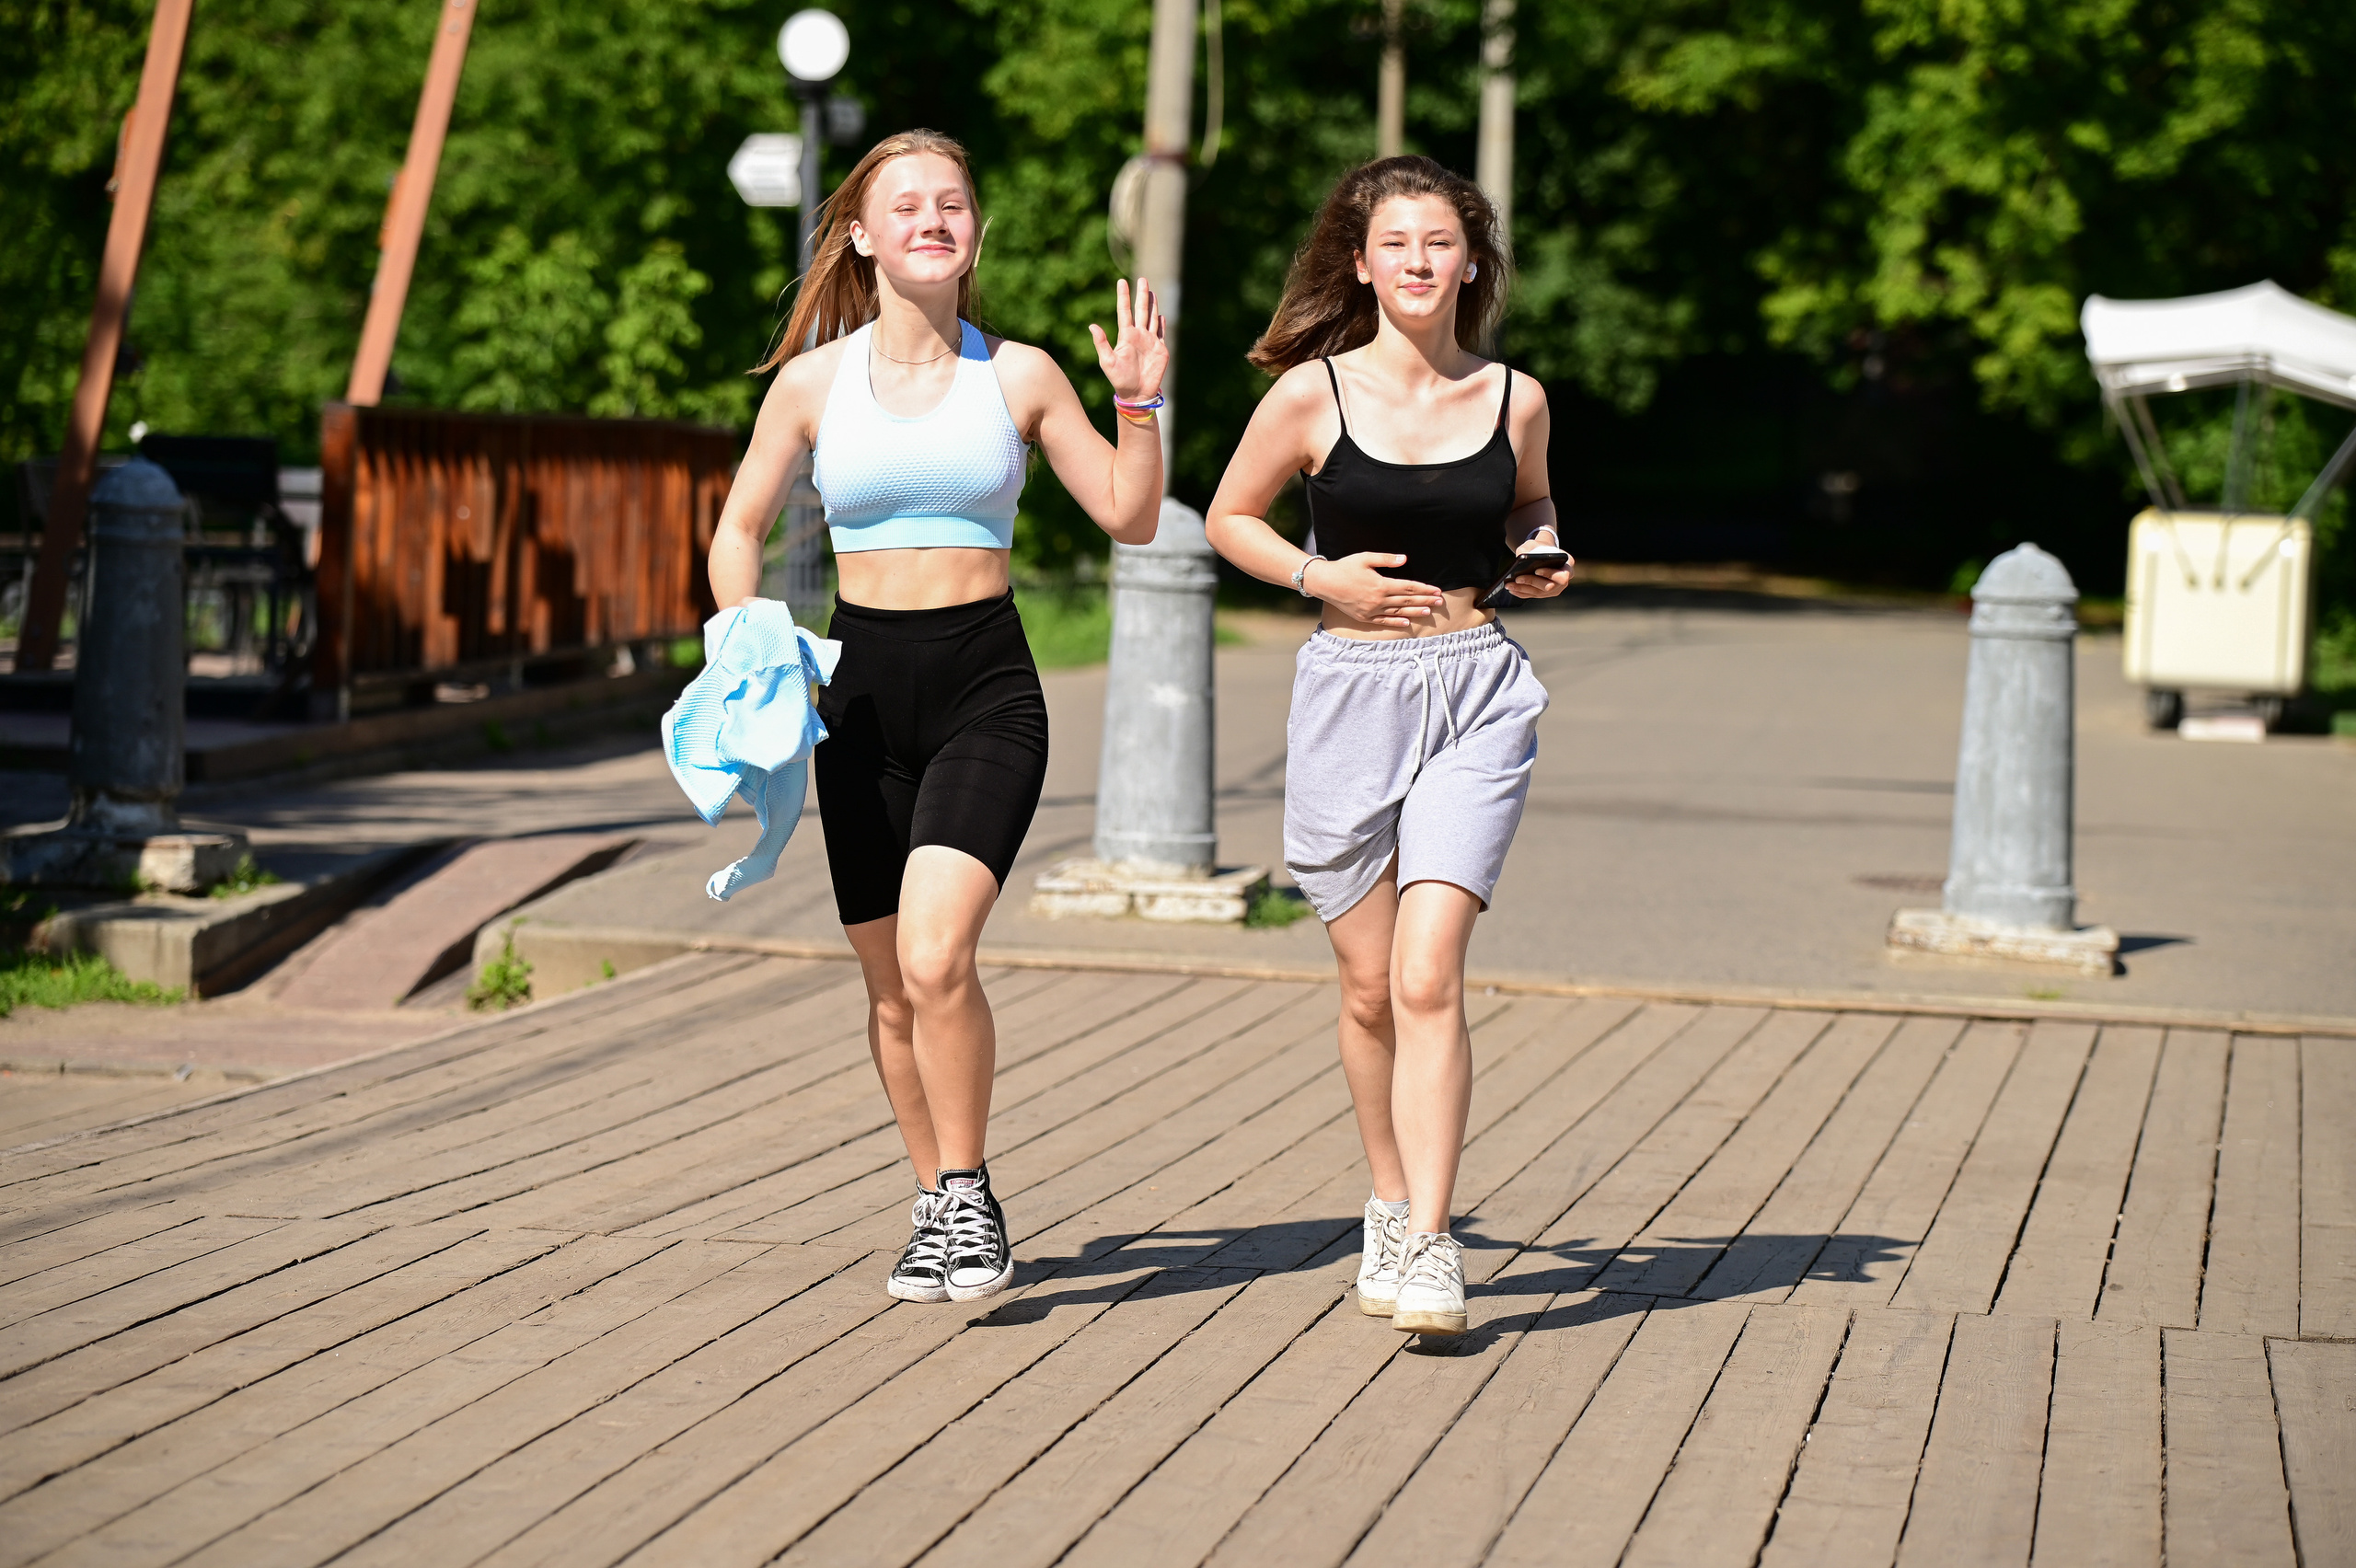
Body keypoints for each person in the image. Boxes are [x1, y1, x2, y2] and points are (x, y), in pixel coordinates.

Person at [708, 129, 1168, 1304]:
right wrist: (745, 630)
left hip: (984, 690)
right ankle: (933, 1201)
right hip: (857, 703)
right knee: (888, 986)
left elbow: (1127, 514)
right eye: (905, 204)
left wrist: (1139, 403)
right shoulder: (813, 384)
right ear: (862, 236)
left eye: (951, 203)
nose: (931, 219)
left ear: (974, 232)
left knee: (934, 955)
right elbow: (738, 529)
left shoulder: (1017, 376)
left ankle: (967, 1192)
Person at [1204, 156, 1570, 1336]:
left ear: (1471, 262)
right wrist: (1321, 579)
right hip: (1349, 698)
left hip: (1477, 691)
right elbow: (1229, 519)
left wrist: (1540, 548)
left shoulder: (1514, 398)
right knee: (1368, 989)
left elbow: (1527, 504)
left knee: (1425, 975)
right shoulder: (1310, 396)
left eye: (1439, 242)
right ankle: (1388, 1199)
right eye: (1396, 243)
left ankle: (1432, 1241)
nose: (1419, 261)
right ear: (1361, 265)